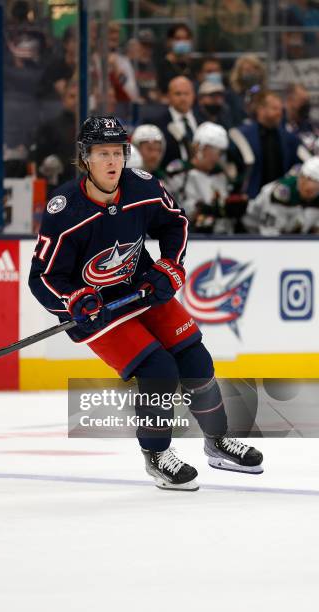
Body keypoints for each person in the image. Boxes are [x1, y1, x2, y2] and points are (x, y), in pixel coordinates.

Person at [28, 115, 263, 490]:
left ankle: (217, 443)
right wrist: (72, 301)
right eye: (102, 153)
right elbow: (42, 277)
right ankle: (156, 456)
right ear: (85, 158)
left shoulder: (144, 187)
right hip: (98, 312)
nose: (112, 162)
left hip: (143, 290)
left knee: (196, 359)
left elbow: (176, 223)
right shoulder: (65, 210)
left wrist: (170, 266)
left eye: (118, 152)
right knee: (159, 370)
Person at [164, 122, 247, 233]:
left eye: (220, 152)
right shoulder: (180, 172)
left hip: (221, 239)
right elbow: (171, 208)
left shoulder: (221, 176)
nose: (217, 156)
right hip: (188, 237)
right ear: (198, 147)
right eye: (212, 149)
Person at [231, 90, 310, 199]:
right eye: (274, 108)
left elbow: (306, 163)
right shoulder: (242, 135)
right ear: (261, 109)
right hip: (251, 197)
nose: (280, 113)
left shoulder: (289, 138)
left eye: (281, 109)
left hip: (280, 198)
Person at [245, 156, 319, 235]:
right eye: (305, 179)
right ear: (301, 178)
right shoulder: (282, 193)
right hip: (250, 233)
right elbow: (270, 234)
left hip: (293, 236)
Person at [149, 75, 197, 168]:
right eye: (178, 94)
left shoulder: (203, 121)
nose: (183, 98)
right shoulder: (157, 124)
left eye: (186, 93)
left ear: (193, 95)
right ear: (168, 96)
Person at [156, 23, 196, 95]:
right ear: (169, 41)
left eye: (186, 38)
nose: (182, 42)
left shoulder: (193, 65)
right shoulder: (162, 66)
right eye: (178, 39)